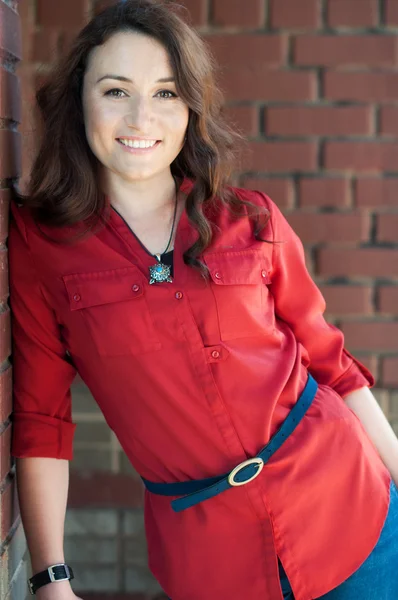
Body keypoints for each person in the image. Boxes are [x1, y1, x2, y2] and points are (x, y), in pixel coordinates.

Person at [8, 1, 398, 599]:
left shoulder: (251, 218)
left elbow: (331, 362)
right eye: (116, 91)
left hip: (351, 513)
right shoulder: (42, 247)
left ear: (190, 107)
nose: (142, 116)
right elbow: (40, 420)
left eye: (166, 93)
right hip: (211, 561)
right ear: (78, 101)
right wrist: (49, 577)